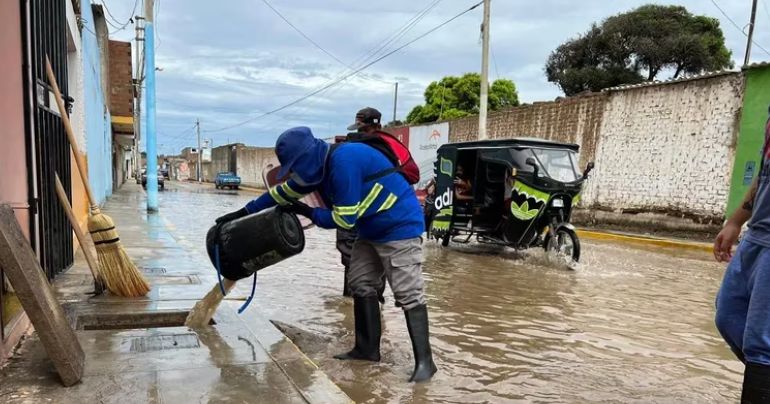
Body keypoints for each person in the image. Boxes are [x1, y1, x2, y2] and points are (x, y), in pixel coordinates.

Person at [215, 126, 437, 383]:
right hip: (371, 230)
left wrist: (310, 213)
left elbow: (343, 219)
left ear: (310, 156)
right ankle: (367, 350)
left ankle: (425, 363)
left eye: (296, 167)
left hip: (399, 226)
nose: (296, 174)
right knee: (361, 283)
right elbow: (279, 194)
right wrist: (242, 212)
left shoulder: (344, 161)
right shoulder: (315, 169)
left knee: (408, 292)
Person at [713, 106, 770, 402]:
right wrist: (736, 220)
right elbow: (764, 171)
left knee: (762, 343)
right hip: (758, 234)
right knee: (728, 314)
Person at [338, 107, 387, 302]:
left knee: (355, 261)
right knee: (371, 262)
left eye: (362, 130)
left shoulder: (349, 147)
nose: (361, 135)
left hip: (358, 215)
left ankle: (357, 309)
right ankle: (367, 309)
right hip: (377, 216)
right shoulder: (388, 148)